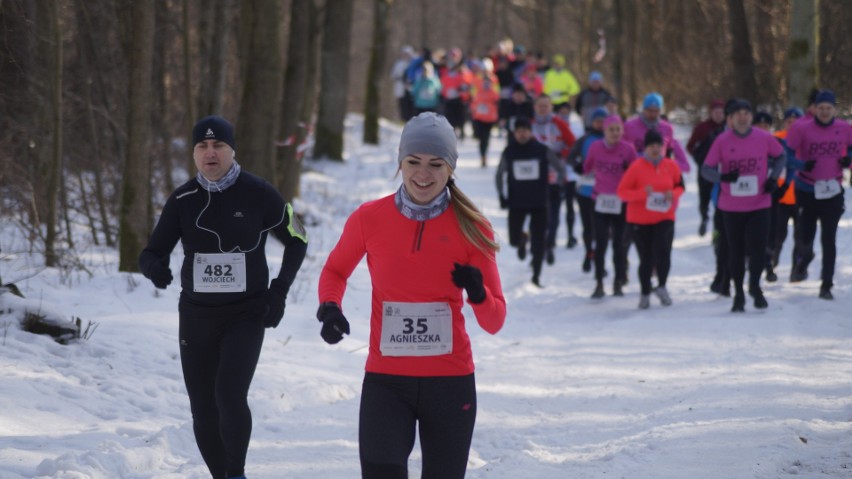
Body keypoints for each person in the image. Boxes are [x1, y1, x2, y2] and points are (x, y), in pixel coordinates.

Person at [316, 112, 506, 479]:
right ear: (399, 163)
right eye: (413, 162)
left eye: (436, 164)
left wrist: (478, 293)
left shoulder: (472, 227)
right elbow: (335, 270)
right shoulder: (369, 218)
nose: (423, 174)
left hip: (450, 384)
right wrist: (329, 307)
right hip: (386, 382)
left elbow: (495, 321)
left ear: (451, 168)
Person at [138, 116, 308, 479]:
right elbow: (151, 252)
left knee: (229, 395)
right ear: (194, 153)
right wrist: (155, 269)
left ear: (232, 150)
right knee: (202, 407)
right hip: (196, 316)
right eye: (202, 146)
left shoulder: (259, 193)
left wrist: (278, 291)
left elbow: (298, 239)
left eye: (219, 146)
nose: (210, 153)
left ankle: (235, 472)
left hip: (246, 313)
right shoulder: (182, 199)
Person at [701, 99, 785, 312]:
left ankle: (755, 287)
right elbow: (706, 169)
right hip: (731, 207)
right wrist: (723, 177)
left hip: (759, 203)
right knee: (735, 251)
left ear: (751, 117)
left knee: (757, 249)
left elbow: (781, 155)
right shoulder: (722, 140)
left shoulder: (764, 138)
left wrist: (773, 178)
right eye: (738, 113)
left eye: (746, 113)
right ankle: (738, 293)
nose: (742, 117)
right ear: (731, 118)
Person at [785, 90, 852, 299]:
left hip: (832, 190)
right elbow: (786, 154)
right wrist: (801, 164)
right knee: (805, 236)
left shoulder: (844, 128)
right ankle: (804, 259)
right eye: (821, 108)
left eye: (828, 108)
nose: (824, 112)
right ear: (814, 109)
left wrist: (847, 159)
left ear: (835, 109)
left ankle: (827, 284)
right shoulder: (801, 128)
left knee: (829, 238)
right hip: (807, 188)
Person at [617, 130, 685, 309]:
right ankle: (645, 292)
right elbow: (622, 193)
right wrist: (641, 194)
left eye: (658, 146)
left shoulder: (671, 166)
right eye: (651, 146)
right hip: (640, 220)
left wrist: (674, 194)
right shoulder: (636, 167)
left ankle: (662, 286)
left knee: (663, 252)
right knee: (646, 257)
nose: (655, 149)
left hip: (665, 217)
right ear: (645, 148)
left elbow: (680, 186)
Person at [496, 117, 565, 286]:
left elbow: (560, 169)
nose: (522, 134)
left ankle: (536, 274)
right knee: (512, 240)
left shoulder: (541, 150)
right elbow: (499, 174)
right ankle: (521, 239)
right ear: (514, 133)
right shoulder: (509, 151)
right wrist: (501, 196)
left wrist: (559, 187)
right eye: (519, 131)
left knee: (539, 241)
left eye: (525, 131)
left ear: (531, 132)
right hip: (516, 202)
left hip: (539, 202)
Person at [584, 114, 637, 298]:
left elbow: (635, 173)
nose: (615, 133)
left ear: (622, 131)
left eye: (618, 129)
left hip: (620, 203)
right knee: (600, 243)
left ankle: (618, 282)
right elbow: (587, 167)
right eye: (611, 129)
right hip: (600, 201)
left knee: (620, 245)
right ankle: (599, 282)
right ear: (604, 131)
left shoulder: (628, 149)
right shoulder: (595, 147)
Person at [531, 94, 576, 264]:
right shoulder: (530, 124)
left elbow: (573, 144)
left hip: (555, 174)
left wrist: (560, 155)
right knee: (537, 214)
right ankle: (538, 246)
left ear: (551, 108)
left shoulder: (559, 123)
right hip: (535, 177)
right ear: (535, 108)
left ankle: (549, 244)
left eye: (546, 106)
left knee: (554, 214)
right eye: (540, 106)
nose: (543, 109)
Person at [567, 107, 608, 270]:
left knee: (603, 230)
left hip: (605, 193)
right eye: (597, 121)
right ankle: (588, 251)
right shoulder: (585, 139)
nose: (600, 125)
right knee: (588, 227)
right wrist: (578, 167)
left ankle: (600, 259)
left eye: (603, 122)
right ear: (592, 123)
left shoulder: (612, 140)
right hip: (585, 189)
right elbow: (570, 157)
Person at [623, 92, 691, 174]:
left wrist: (668, 167)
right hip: (636, 174)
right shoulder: (629, 126)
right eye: (650, 110)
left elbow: (683, 162)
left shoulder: (667, 128)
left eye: (656, 111)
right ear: (644, 109)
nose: (653, 114)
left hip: (659, 175)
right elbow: (621, 151)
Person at [686, 99, 726, 236]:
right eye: (716, 112)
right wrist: (699, 159)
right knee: (704, 198)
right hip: (705, 169)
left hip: (722, 171)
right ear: (711, 113)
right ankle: (704, 217)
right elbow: (690, 146)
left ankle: (717, 229)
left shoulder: (729, 127)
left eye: (721, 112)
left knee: (720, 202)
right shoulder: (702, 128)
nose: (719, 115)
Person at [469, 62, 500, 167]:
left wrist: (490, 90)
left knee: (486, 137)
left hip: (490, 115)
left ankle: (484, 156)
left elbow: (497, 95)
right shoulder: (477, 79)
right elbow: (473, 93)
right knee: (481, 137)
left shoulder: (494, 80)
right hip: (479, 113)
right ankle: (482, 155)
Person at [391, 45, 417, 122]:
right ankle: (403, 120)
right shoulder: (399, 63)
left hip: (412, 88)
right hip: (401, 88)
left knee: (411, 106)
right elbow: (393, 75)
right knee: (402, 106)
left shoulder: (414, 63)